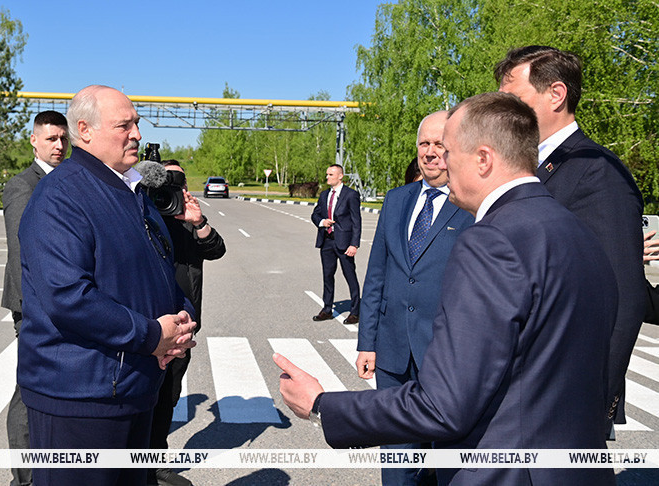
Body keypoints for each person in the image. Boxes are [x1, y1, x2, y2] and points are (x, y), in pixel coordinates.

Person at [276, 92, 618, 486]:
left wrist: (322, 406)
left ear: (484, 159)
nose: (440, 163)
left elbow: (444, 406)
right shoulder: (575, 229)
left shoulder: (492, 241)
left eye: (450, 152)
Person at [17, 85, 197, 486]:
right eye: (124, 125)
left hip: (132, 385)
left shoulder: (130, 190)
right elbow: (69, 298)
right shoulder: (61, 196)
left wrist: (182, 322)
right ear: (85, 130)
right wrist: (152, 334)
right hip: (80, 398)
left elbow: (159, 268)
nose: (136, 133)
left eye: (137, 123)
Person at [496, 46, 645, 433]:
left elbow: (623, 298)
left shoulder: (596, 172)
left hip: (561, 400)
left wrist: (595, 404)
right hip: (511, 389)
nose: (503, 112)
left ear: (556, 95)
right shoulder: (522, 167)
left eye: (514, 100)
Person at [355, 111, 473, 486]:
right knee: (396, 453)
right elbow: (377, 275)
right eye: (425, 144)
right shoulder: (396, 199)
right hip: (392, 351)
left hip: (444, 353)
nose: (431, 152)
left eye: (440, 144)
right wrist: (367, 342)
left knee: (448, 456)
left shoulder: (471, 204)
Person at [146, 159, 226, 486]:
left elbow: (216, 249)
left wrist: (198, 221)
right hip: (150, 328)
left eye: (178, 182)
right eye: (167, 181)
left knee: (169, 397)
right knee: (142, 398)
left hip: (184, 328)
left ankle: (155, 463)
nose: (172, 189)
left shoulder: (190, 219)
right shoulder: (144, 215)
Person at [0, 110, 68, 486]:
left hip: (60, 303)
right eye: (51, 139)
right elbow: (21, 252)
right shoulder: (23, 185)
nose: (59, 146)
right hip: (34, 306)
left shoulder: (69, 180)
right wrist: (37, 309)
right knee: (28, 390)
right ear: (34, 140)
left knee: (52, 386)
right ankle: (25, 478)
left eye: (63, 139)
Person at [310, 164, 362, 323]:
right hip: (326, 242)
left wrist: (354, 244)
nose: (327, 177)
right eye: (327, 174)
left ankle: (355, 311)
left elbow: (356, 221)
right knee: (327, 276)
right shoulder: (324, 195)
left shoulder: (351, 195)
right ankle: (327, 309)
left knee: (350, 276)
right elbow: (315, 214)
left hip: (344, 243)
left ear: (340, 176)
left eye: (331, 174)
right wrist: (322, 222)